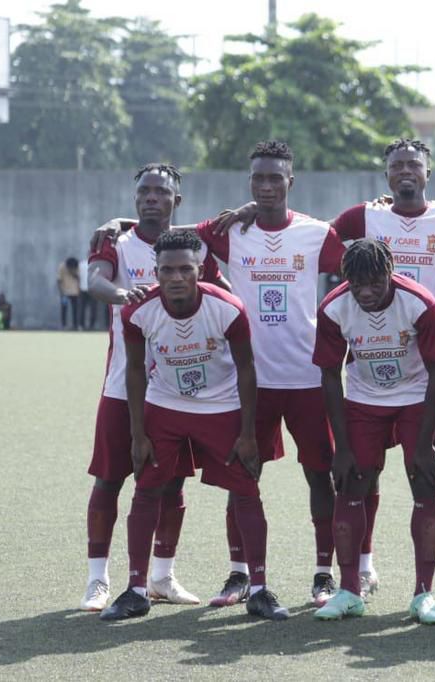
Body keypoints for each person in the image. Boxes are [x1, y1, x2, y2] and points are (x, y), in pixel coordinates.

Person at [102, 229, 288, 622]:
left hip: (220, 405)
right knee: (147, 489)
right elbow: (135, 370)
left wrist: (248, 434)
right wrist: (138, 434)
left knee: (246, 490)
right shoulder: (138, 311)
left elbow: (246, 369)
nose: (176, 277)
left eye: (185, 269)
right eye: (167, 270)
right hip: (165, 404)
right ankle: (136, 590)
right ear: (155, 271)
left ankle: (258, 590)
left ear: (200, 270)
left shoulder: (227, 308)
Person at [194, 141, 345, 610]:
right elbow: (170, 234)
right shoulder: (231, 231)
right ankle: (239, 574)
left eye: (274, 178)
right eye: (257, 178)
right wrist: (121, 224)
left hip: (307, 378)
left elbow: (360, 270)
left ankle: (323, 574)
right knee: (241, 476)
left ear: (290, 182)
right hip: (249, 380)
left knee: (320, 476)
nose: (265, 186)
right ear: (249, 182)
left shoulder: (316, 233)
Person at [81, 164, 225, 612]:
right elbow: (96, 280)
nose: (151, 198)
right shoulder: (115, 241)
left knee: (173, 480)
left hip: (176, 389)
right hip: (123, 385)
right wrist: (122, 294)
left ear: (176, 200)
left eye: (161, 192)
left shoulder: (192, 246)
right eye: (144, 191)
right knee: (109, 478)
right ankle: (97, 580)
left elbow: (221, 289)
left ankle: (162, 576)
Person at [312, 239, 435, 625]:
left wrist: (424, 444)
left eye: (375, 283)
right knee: (350, 486)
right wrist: (342, 447)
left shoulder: (419, 302)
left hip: (416, 399)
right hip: (364, 401)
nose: (366, 292)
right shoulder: (334, 308)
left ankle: (423, 594)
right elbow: (329, 375)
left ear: (390, 273)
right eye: (357, 284)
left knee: (425, 483)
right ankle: (349, 591)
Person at [58, 257, 81, 330]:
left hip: (74, 292)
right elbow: (59, 280)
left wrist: (73, 273)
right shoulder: (62, 267)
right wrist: (61, 292)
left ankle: (75, 325)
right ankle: (63, 325)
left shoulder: (77, 266)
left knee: (75, 309)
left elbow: (79, 278)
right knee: (64, 309)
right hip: (65, 292)